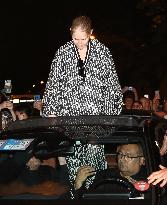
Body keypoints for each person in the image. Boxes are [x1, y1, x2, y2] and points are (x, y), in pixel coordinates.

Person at [42, 15, 123, 197]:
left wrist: (109, 117)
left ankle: (97, 197)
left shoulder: (103, 52)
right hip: (70, 123)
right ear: (70, 33)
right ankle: (75, 197)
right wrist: (51, 113)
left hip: (96, 124)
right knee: (73, 170)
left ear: (91, 33)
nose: (79, 42)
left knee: (95, 170)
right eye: (75, 38)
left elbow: (112, 85)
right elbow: (53, 84)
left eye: (83, 39)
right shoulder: (62, 52)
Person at [73, 143, 146, 198]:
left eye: (128, 156)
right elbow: (89, 199)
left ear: (141, 160)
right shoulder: (104, 175)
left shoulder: (148, 180)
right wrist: (78, 183)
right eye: (120, 154)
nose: (122, 159)